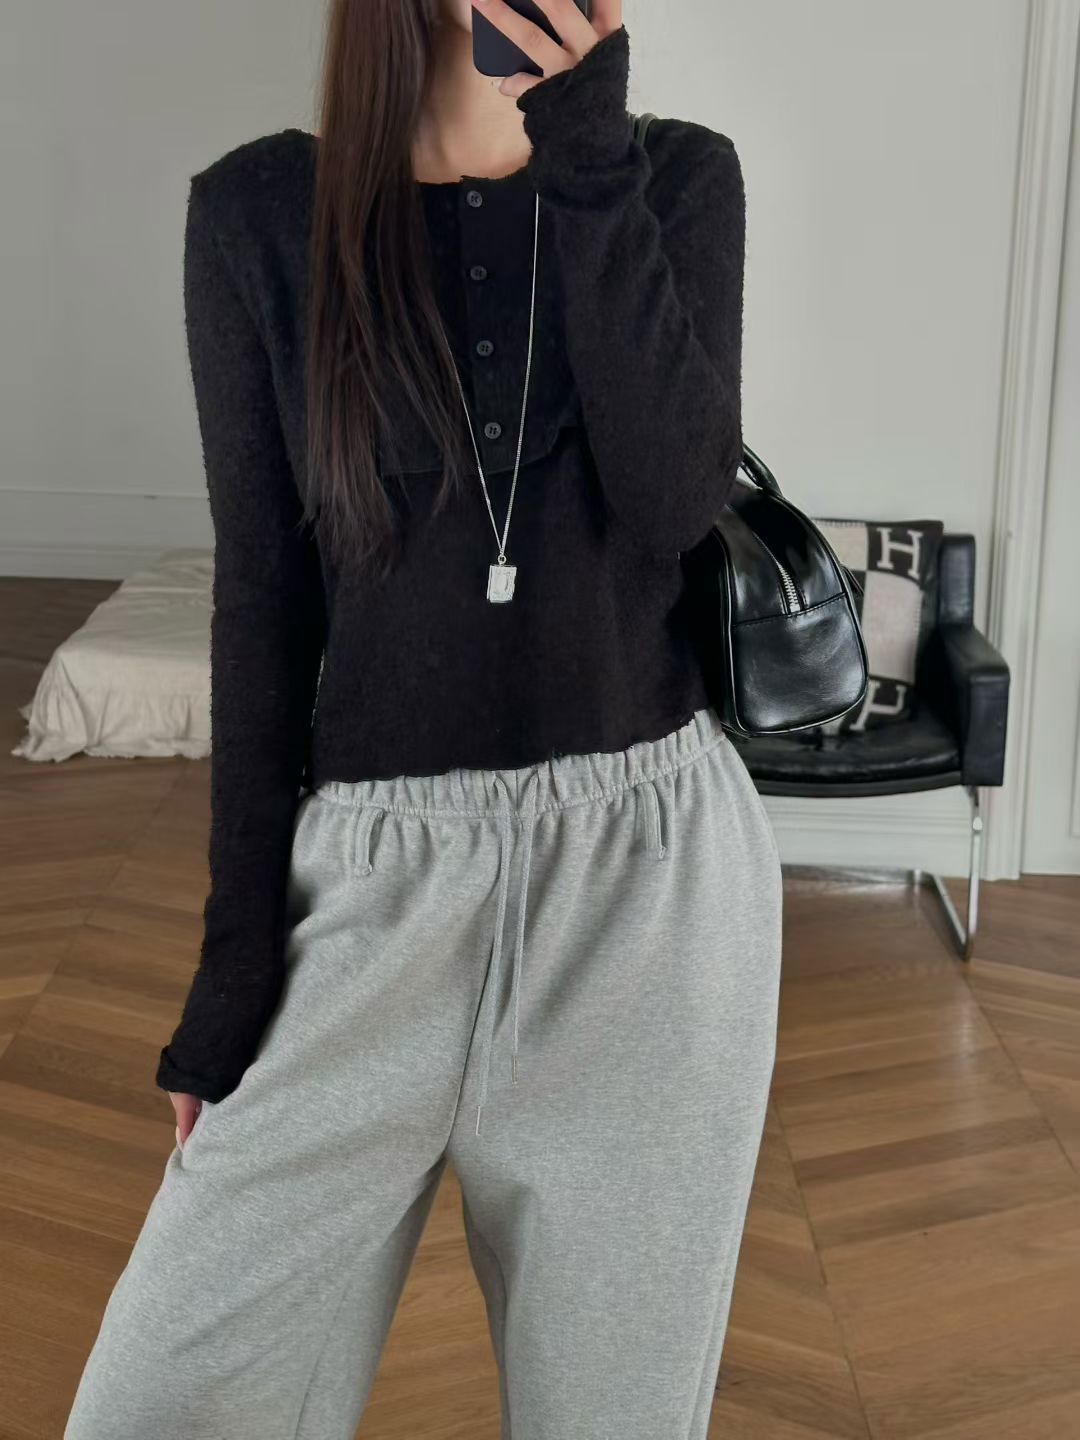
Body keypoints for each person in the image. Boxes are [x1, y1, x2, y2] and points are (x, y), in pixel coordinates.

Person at [64, 1, 782, 1436]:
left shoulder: (676, 176)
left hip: (645, 902)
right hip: (371, 900)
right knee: (161, 1402)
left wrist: (587, 141)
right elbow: (263, 610)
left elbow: (673, 503)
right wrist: (232, 976)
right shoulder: (261, 212)